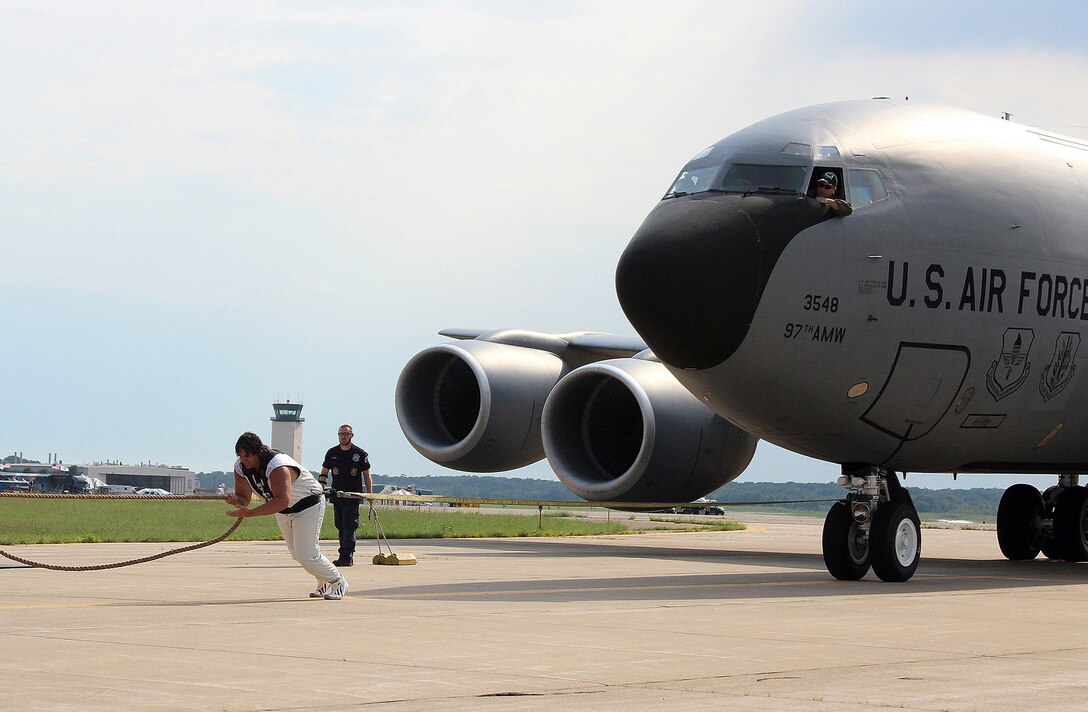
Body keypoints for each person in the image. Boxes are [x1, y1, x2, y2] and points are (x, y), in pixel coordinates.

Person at [228, 432, 347, 600]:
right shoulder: (241, 468)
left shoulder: (277, 466)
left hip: (308, 505)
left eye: (247, 455)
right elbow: (244, 497)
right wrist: (236, 500)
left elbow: (282, 500)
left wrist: (251, 514)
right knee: (296, 553)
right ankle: (324, 580)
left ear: (258, 452)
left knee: (306, 554)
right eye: (240, 455)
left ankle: (338, 581)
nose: (243, 459)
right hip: (284, 510)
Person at [320, 424, 373, 567]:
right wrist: (320, 489)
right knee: (340, 525)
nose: (343, 436)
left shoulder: (360, 454)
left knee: (350, 525)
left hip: (353, 496)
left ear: (352, 435)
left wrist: (369, 494)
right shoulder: (332, 453)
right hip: (337, 496)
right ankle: (344, 553)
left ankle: (346, 555)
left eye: (346, 434)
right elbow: (324, 472)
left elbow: (367, 476)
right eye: (341, 434)